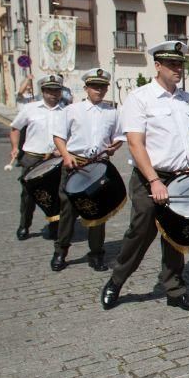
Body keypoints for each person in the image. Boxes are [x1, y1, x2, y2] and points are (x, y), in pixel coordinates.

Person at [100, 40, 189, 312]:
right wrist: (154, 180)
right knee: (140, 233)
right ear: (157, 66)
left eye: (180, 64)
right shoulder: (140, 98)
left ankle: (174, 290)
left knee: (176, 234)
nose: (178, 68)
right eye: (172, 64)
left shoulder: (187, 99)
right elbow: (135, 143)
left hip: (182, 179)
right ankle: (116, 281)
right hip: (149, 178)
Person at [50, 68, 122, 272]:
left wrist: (114, 146)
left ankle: (97, 253)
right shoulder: (71, 110)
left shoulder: (113, 112)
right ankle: (61, 251)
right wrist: (66, 155)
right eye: (94, 86)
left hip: (99, 166)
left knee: (98, 211)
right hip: (76, 164)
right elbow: (58, 136)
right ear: (86, 88)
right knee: (68, 210)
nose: (99, 90)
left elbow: (119, 136)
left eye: (102, 86)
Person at [10, 74, 64, 241]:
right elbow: (15, 128)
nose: (53, 94)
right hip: (33, 158)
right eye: (49, 90)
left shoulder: (66, 111)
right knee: (28, 194)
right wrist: (14, 148)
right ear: (43, 91)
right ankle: (24, 225)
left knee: (56, 195)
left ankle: (55, 227)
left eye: (56, 90)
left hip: (55, 159)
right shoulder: (30, 108)